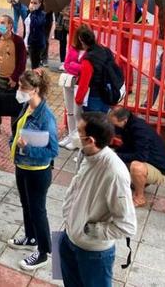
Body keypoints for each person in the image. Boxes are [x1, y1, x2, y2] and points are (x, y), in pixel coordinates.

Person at [60, 113, 137, 287]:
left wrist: (92, 231)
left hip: (93, 253)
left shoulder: (114, 173)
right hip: (68, 239)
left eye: (78, 132)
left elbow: (127, 225)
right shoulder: (86, 155)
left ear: (91, 140)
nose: (74, 135)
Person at [7, 69, 58, 271]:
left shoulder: (46, 117)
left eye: (23, 88)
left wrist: (26, 148)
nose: (19, 91)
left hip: (38, 171)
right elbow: (18, 129)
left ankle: (44, 251)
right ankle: (30, 236)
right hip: (22, 166)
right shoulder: (26, 107)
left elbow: (53, 150)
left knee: (38, 210)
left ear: (35, 89)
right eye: (20, 86)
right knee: (26, 204)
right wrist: (14, 143)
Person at [108, 107, 165, 207]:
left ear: (124, 120)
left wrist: (116, 156)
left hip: (160, 170)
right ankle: (135, 183)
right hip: (148, 162)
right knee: (115, 159)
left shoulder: (140, 130)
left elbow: (141, 156)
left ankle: (139, 197)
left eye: (115, 124)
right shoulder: (128, 126)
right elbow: (127, 147)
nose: (114, 127)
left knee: (136, 166)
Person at [0, 15, 27, 136]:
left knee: (14, 104)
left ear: (10, 25)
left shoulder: (18, 41)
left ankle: (15, 129)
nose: (0, 25)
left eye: (3, 23)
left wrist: (15, 78)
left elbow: (22, 61)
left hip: (13, 79)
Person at [75, 25, 117, 113]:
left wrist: (78, 99)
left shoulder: (88, 59)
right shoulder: (106, 50)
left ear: (81, 40)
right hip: (107, 94)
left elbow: (84, 82)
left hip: (94, 96)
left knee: (93, 124)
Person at [60, 24, 87, 149]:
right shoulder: (73, 48)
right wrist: (78, 67)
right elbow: (66, 64)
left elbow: (85, 69)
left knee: (78, 112)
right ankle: (71, 135)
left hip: (80, 85)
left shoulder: (89, 51)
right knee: (69, 111)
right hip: (69, 81)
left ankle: (77, 139)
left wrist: (74, 66)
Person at [26, 0, 47, 69]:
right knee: (33, 63)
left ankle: (36, 78)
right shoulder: (29, 12)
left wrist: (33, 12)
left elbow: (36, 24)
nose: (32, 4)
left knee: (35, 65)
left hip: (38, 43)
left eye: (35, 3)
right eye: (31, 2)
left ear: (40, 4)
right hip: (30, 41)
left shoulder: (42, 14)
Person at [55, 5, 70, 69]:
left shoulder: (77, 1)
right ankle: (62, 62)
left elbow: (79, 13)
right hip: (61, 25)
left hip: (71, 24)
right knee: (62, 44)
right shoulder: (61, 1)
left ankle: (70, 62)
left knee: (73, 44)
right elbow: (56, 11)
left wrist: (67, 13)